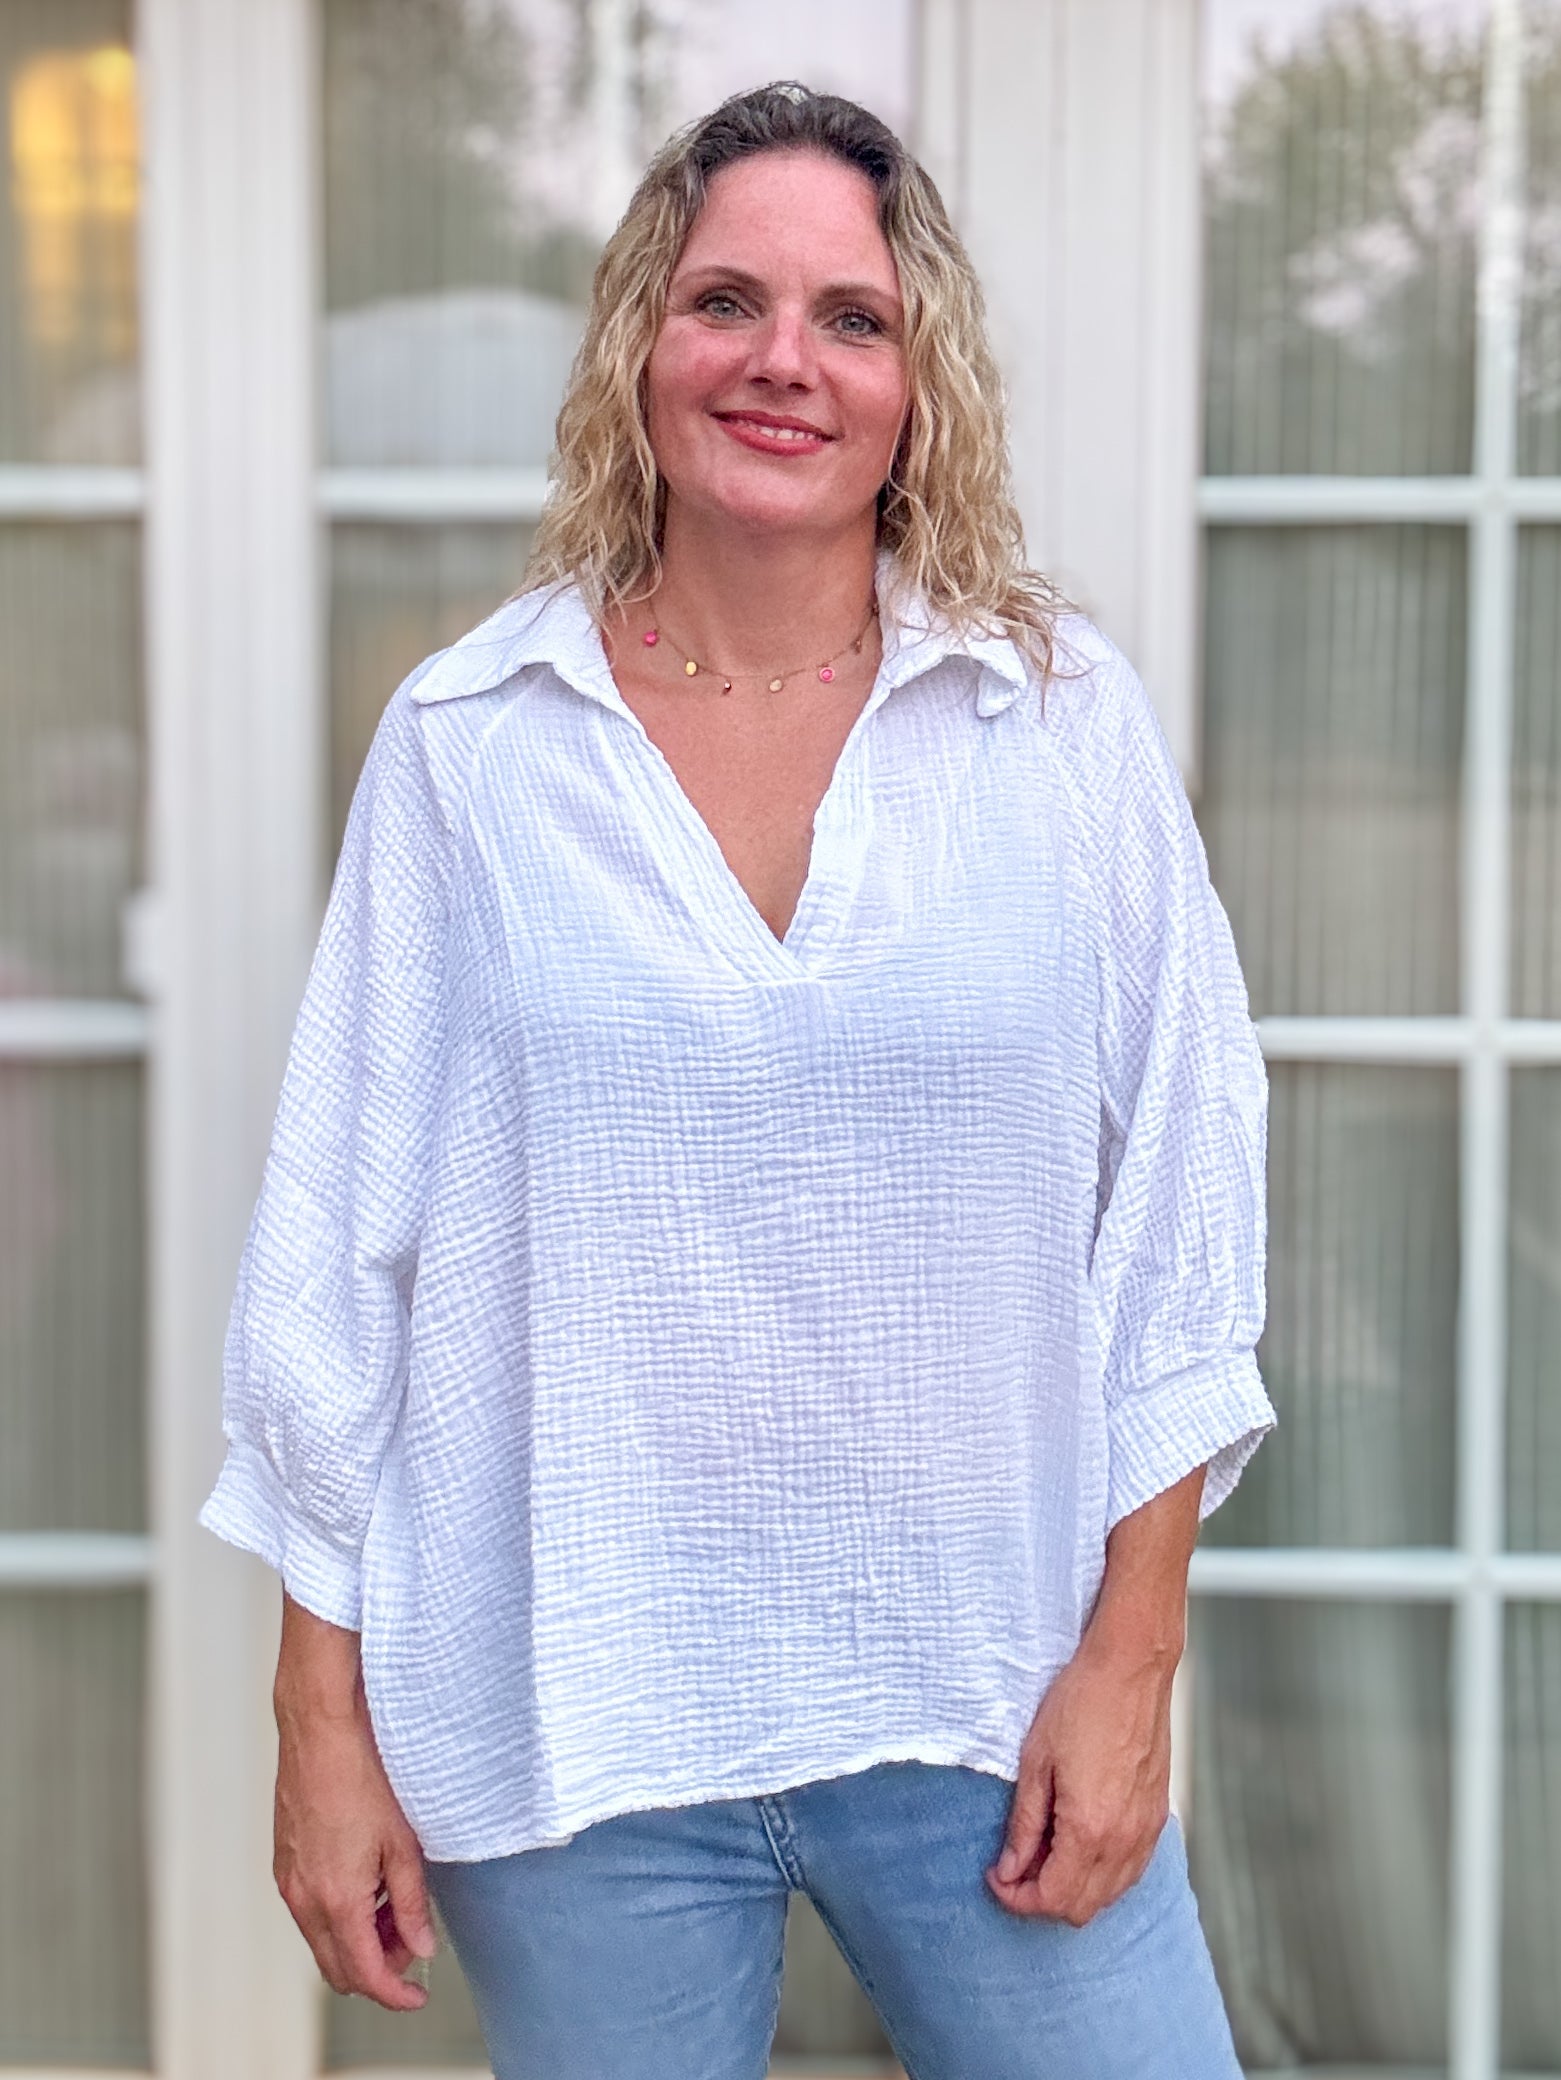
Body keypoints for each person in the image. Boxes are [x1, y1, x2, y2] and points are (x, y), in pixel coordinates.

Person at [200, 81, 1275, 2080]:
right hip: (579, 1716)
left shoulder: (1055, 726)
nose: (785, 360)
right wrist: (316, 1720)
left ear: (917, 384)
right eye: (725, 302)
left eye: (850, 318)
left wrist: (1133, 1661)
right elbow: (337, 1261)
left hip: (987, 1691)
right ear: (641, 347)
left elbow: (1181, 1221)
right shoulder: (471, 742)